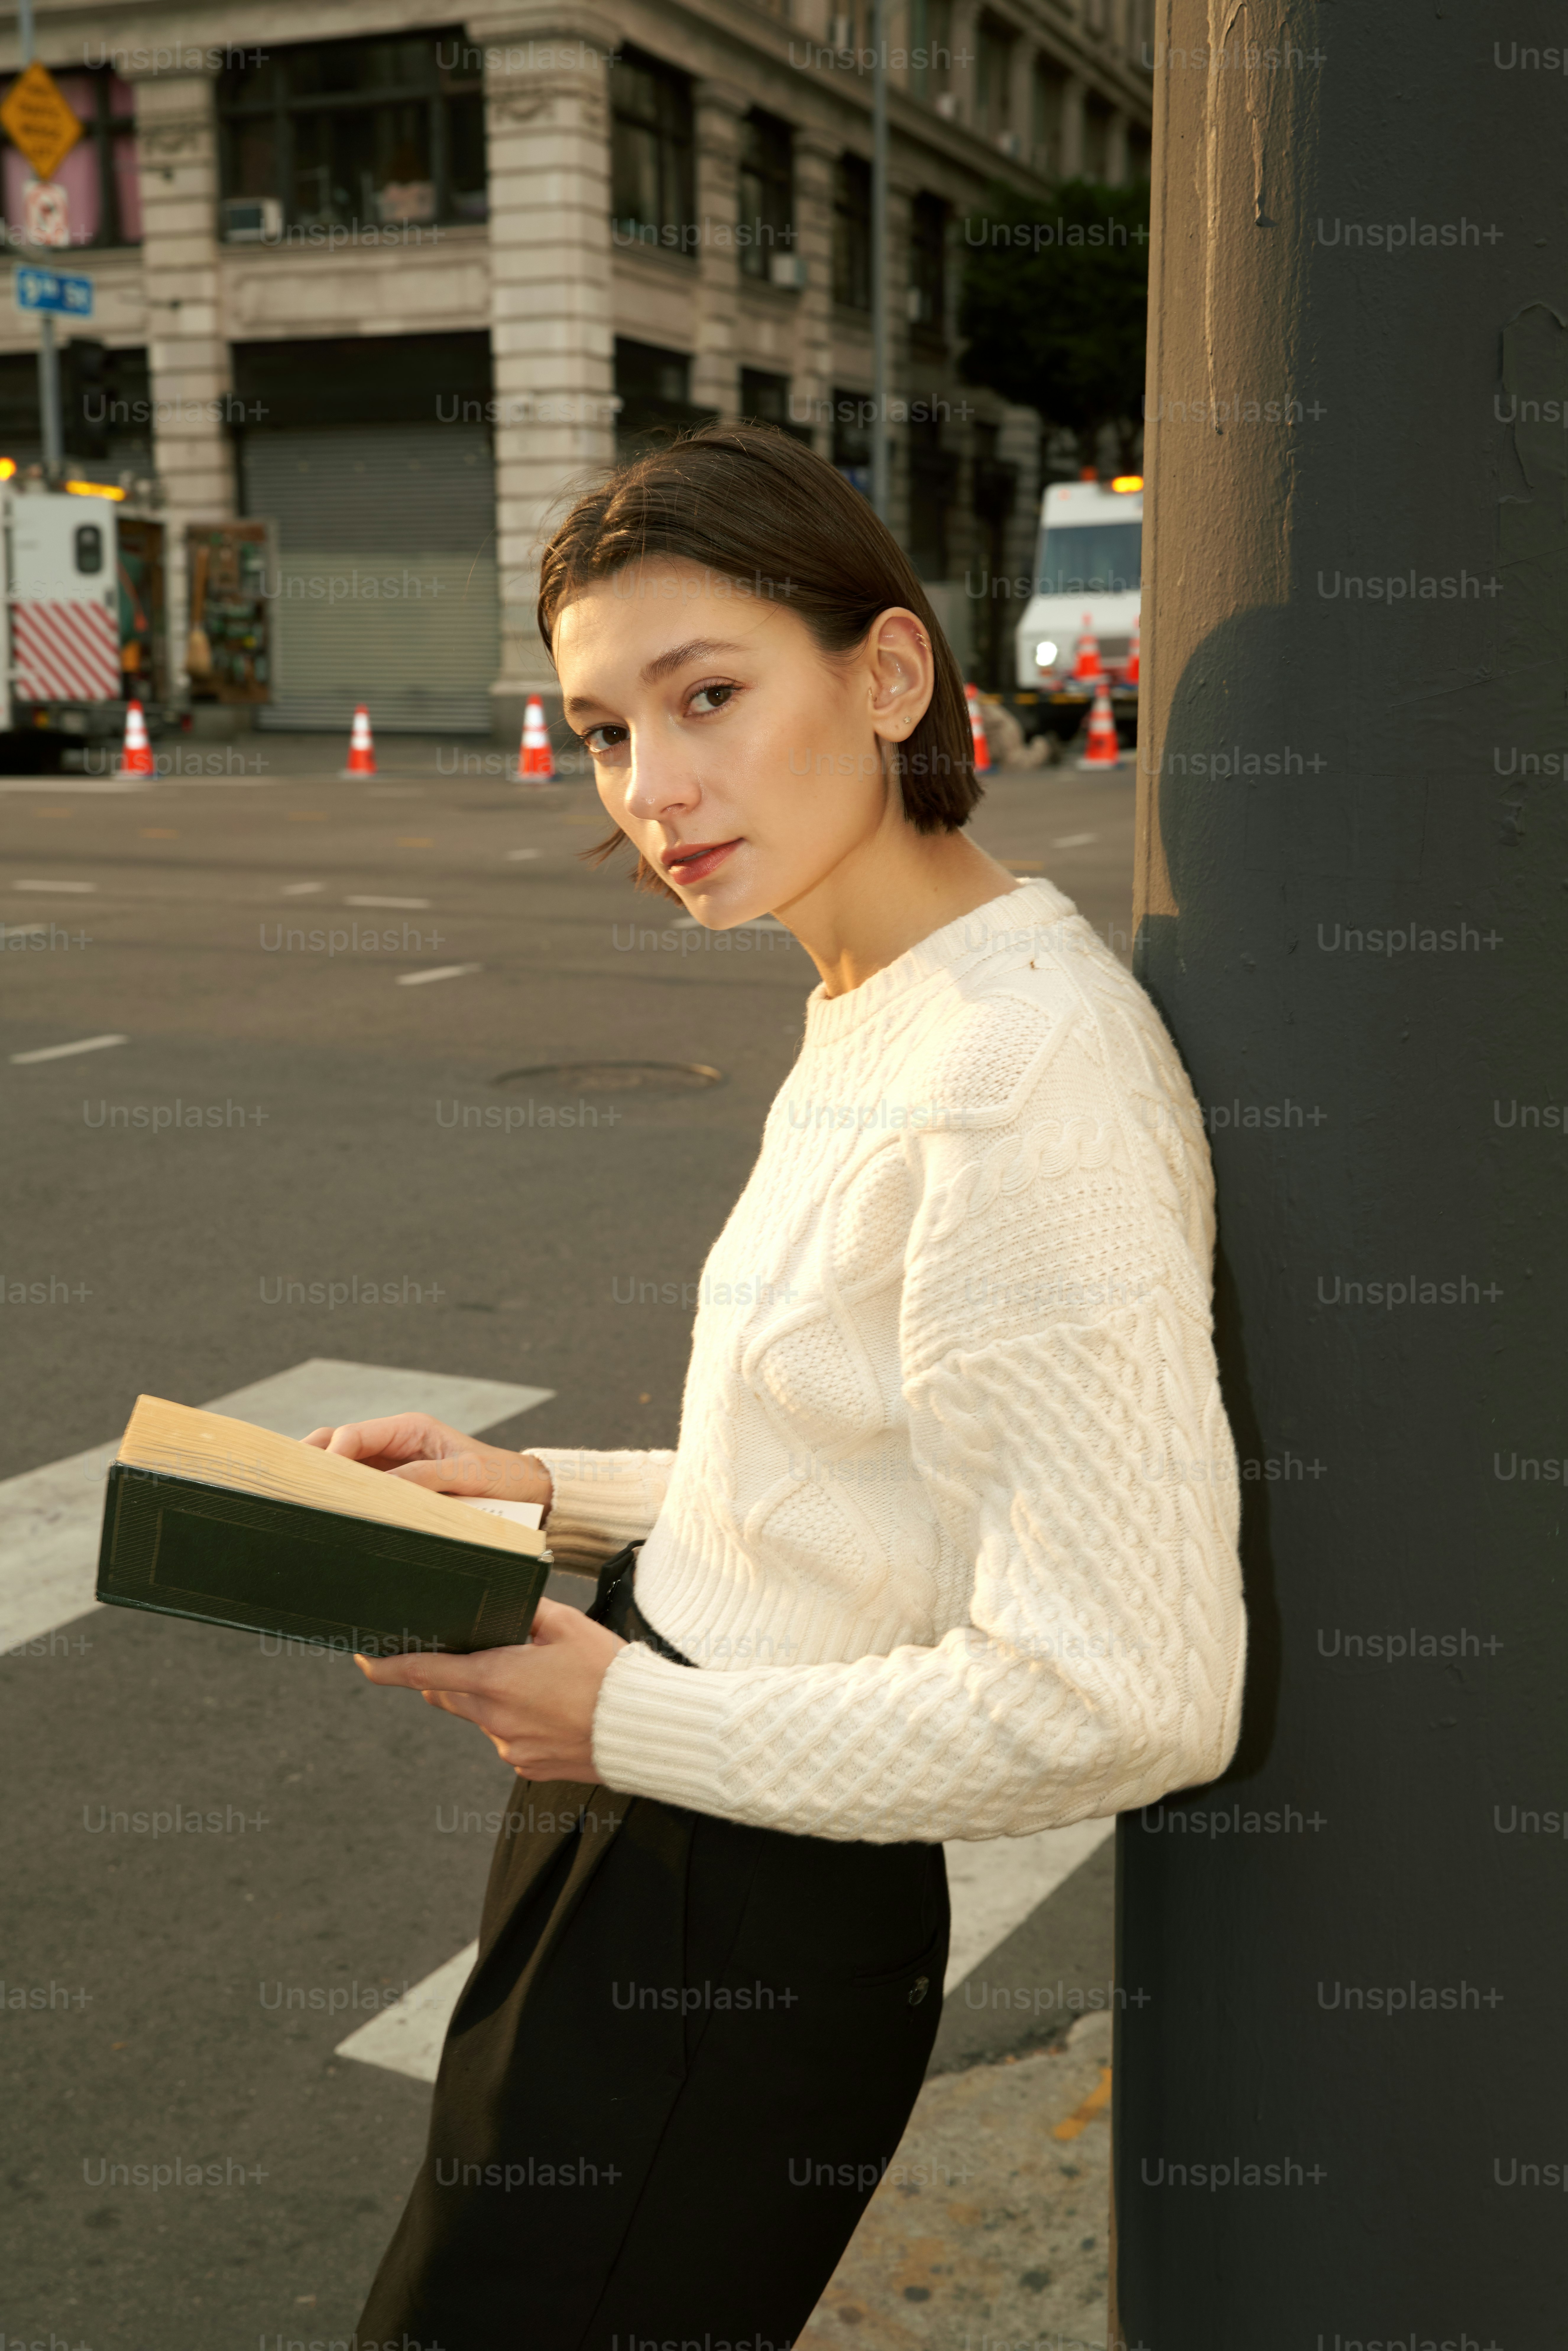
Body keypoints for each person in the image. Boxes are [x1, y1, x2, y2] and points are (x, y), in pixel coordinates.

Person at [310, 424, 1247, 2350]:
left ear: (888, 678)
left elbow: (1132, 1697)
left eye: (709, 696)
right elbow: (852, 1460)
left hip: (735, 1906)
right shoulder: (869, 989)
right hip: (652, 1797)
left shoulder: (1022, 1069)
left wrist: (632, 1730)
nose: (653, 790)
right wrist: (542, 1497)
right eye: (600, 731)